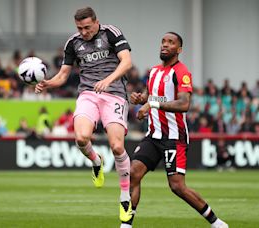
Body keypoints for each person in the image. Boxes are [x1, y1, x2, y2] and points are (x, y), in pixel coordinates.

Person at [35, 7, 134, 225]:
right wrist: (47, 83)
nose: (84, 32)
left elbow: (126, 62)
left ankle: (125, 197)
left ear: (96, 22)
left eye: (87, 27)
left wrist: (108, 80)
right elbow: (63, 75)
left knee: (117, 147)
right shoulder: (73, 43)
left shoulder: (111, 33)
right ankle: (96, 161)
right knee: (81, 138)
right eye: (79, 28)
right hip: (88, 93)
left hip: (114, 94)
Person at [129, 32, 228, 228]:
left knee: (177, 186)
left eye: (171, 42)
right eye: (163, 41)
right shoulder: (154, 72)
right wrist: (142, 99)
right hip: (153, 135)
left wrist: (152, 105)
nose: (165, 45)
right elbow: (153, 97)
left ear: (179, 49)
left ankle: (216, 223)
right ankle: (126, 225)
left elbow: (184, 104)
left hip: (174, 138)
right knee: (133, 173)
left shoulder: (182, 72)